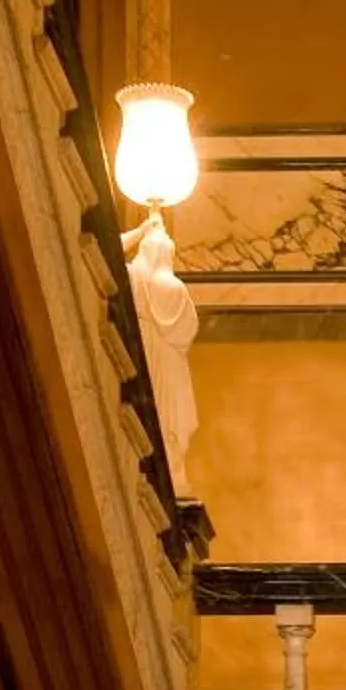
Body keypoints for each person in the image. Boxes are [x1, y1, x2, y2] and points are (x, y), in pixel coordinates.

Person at [122, 211, 199, 492]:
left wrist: (139, 232)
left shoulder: (135, 276)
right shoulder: (174, 286)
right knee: (171, 419)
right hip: (171, 363)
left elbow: (111, 254)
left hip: (143, 349)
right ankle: (174, 470)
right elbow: (189, 329)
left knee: (147, 407)